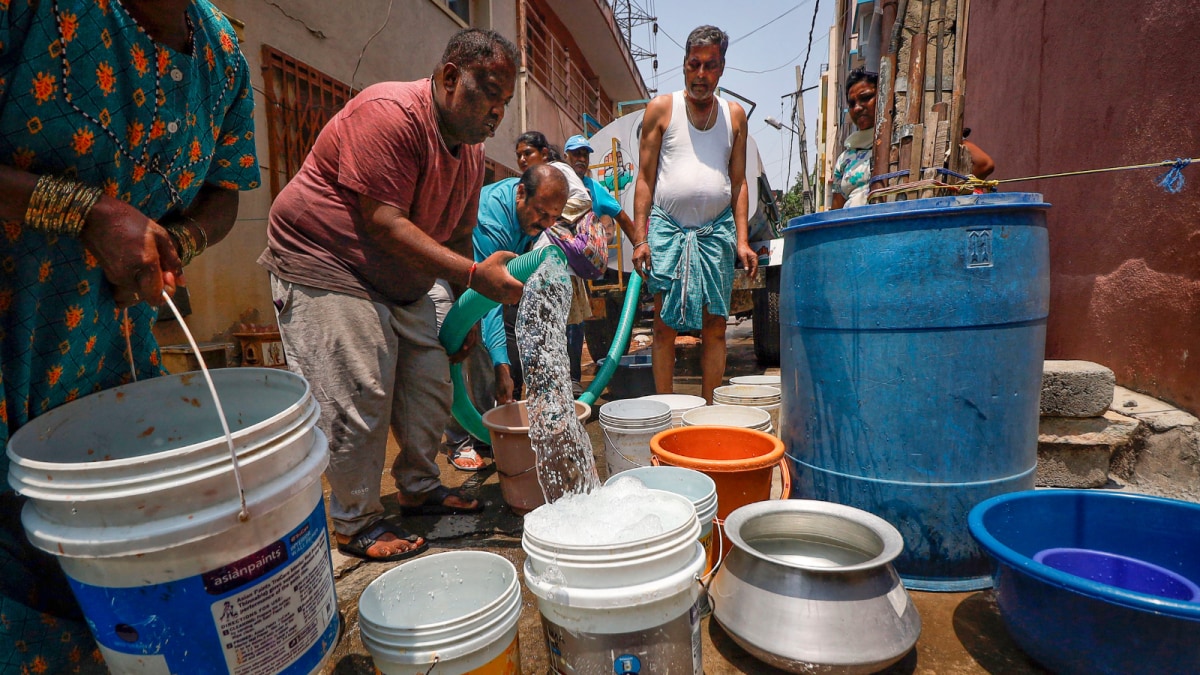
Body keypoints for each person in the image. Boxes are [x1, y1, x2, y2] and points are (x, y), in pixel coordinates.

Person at [0, 0, 260, 669]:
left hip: (108, 353)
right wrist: (83, 212)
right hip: (13, 330)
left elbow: (225, 192)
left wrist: (177, 240)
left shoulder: (222, 54)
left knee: (110, 579)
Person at [258, 29, 524, 562]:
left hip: (403, 282)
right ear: (450, 77)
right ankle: (355, 520)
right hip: (327, 263)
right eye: (490, 93)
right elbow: (384, 220)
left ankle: (419, 489)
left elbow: (457, 236)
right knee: (360, 391)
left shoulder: (471, 154)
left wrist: (467, 314)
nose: (497, 112)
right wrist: (476, 277)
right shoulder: (389, 114)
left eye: (505, 101)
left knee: (430, 385)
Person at [632, 25, 757, 404]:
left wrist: (743, 240)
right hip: (668, 233)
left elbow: (739, 183)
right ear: (684, 65)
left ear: (722, 68)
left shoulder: (734, 116)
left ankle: (710, 409)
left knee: (715, 325)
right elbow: (644, 179)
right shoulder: (661, 109)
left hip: (715, 234)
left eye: (710, 65)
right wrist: (639, 239)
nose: (701, 74)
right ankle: (665, 409)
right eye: (694, 64)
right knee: (664, 326)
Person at [429, 164, 567, 471]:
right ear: (521, 193)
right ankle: (458, 440)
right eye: (541, 213)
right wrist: (503, 367)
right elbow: (487, 293)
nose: (547, 224)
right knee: (452, 348)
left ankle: (483, 431)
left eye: (554, 217)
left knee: (481, 346)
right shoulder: (492, 216)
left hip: (475, 279)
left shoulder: (529, 216)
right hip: (439, 273)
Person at [832, 68, 995, 209]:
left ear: (884, 98)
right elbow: (836, 211)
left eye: (866, 97)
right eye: (852, 103)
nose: (857, 108)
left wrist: (945, 197)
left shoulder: (910, 139)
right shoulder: (846, 158)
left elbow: (984, 164)